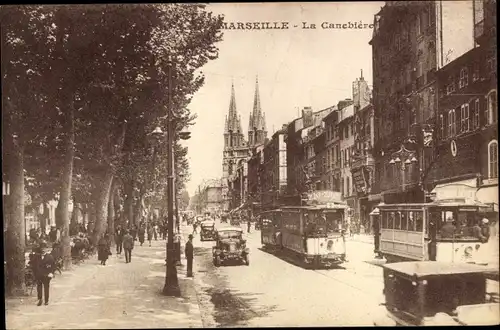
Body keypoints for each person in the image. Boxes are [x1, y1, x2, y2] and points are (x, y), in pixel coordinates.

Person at [31, 241, 56, 306]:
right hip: (38, 275)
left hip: (46, 275)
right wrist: (34, 274)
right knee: (39, 287)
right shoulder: (37, 257)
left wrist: (51, 273)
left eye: (44, 248)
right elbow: (33, 266)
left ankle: (46, 300)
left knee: (46, 287)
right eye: (42, 248)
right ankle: (40, 299)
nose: (43, 250)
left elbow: (53, 266)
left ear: (46, 249)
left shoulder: (50, 257)